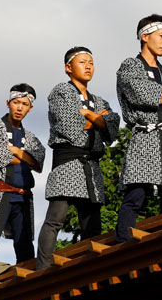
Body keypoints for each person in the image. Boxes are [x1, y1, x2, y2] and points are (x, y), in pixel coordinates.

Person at [36, 46, 119, 270]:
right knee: (55, 219)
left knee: (92, 224)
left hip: (91, 165)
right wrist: (97, 120)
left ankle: (93, 268)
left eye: (91, 62)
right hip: (67, 162)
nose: (89, 66)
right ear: (68, 67)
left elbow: (112, 129)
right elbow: (68, 124)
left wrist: (88, 116)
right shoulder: (60, 91)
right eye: (82, 62)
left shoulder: (99, 100)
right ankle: (42, 268)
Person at [115, 14, 162, 242]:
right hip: (146, 136)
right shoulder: (130, 65)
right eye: (161, 36)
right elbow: (138, 92)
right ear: (145, 36)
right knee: (136, 195)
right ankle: (123, 246)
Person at [0, 84, 46, 291]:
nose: (20, 107)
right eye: (16, 102)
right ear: (8, 103)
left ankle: (28, 287)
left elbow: (39, 161)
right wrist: (25, 157)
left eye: (25, 104)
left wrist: (16, 152)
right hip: (0, 191)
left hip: (24, 196)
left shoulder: (31, 137)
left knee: (24, 246)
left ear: (30, 108)